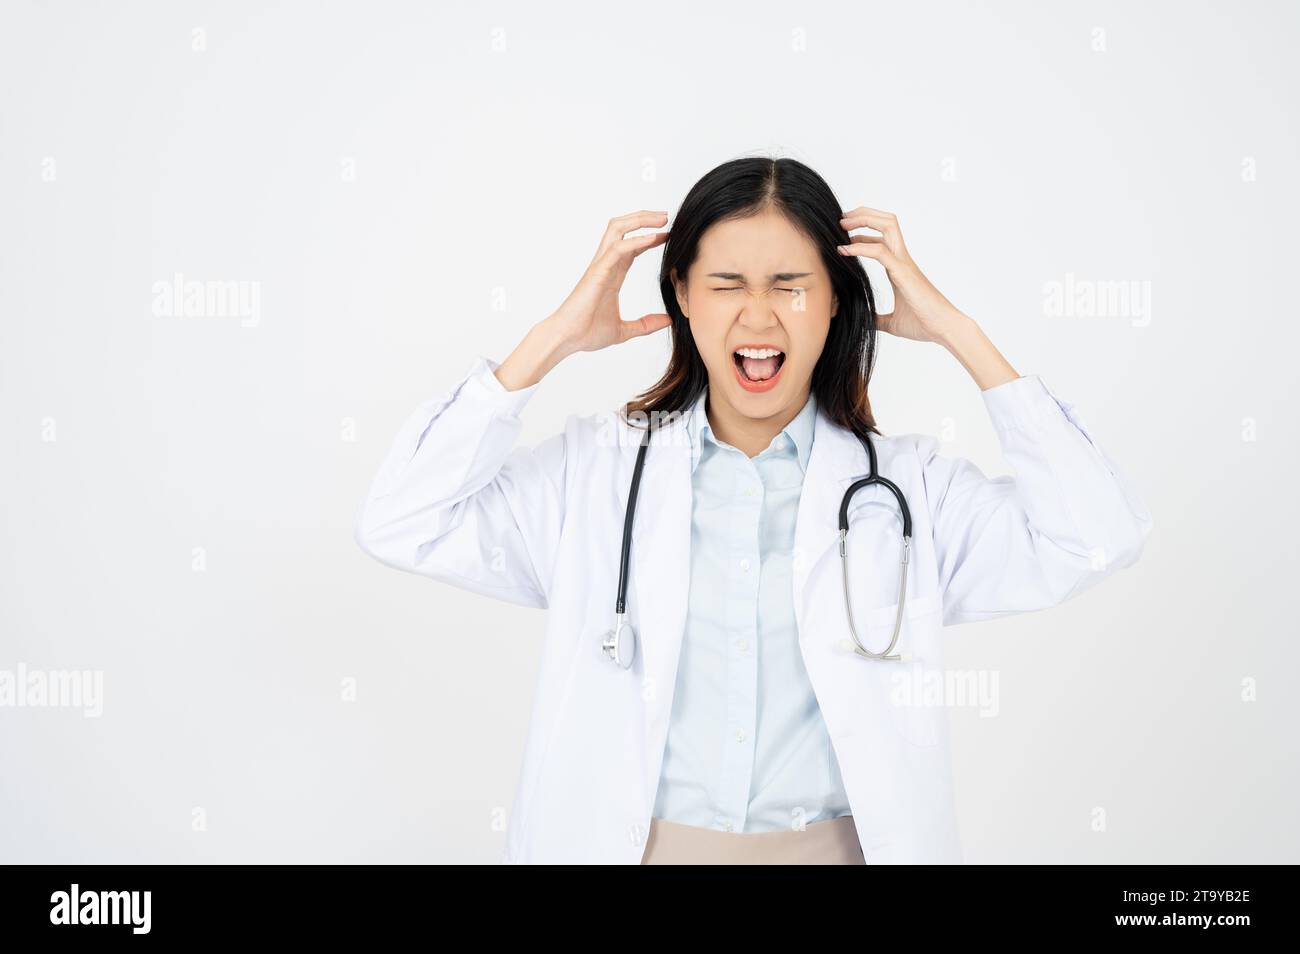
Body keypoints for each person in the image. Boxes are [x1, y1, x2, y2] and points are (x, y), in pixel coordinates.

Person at [354, 156, 1152, 864]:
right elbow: (400, 520)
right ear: (682, 296)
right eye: (727, 284)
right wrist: (550, 341)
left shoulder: (909, 490)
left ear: (837, 301)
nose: (759, 315)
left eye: (791, 285)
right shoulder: (594, 473)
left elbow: (1095, 539)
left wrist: (960, 333)